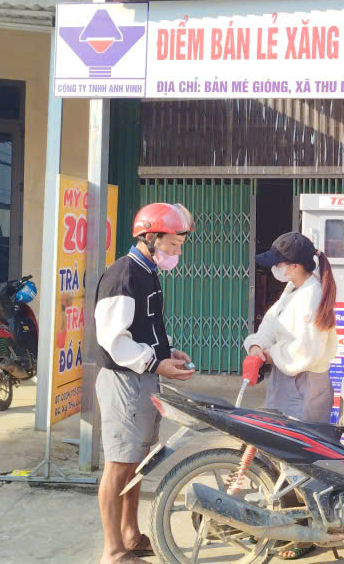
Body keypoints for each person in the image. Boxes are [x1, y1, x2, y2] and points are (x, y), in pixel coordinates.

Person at [93, 202, 196, 564]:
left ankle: (131, 536)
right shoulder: (123, 275)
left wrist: (168, 352)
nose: (177, 252)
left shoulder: (147, 270)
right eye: (173, 244)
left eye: (180, 245)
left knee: (136, 463)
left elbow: (144, 327)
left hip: (142, 379)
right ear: (150, 237)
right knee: (119, 465)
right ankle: (113, 551)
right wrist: (155, 362)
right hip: (124, 382)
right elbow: (114, 340)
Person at [241, 232, 339, 423]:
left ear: (295, 266)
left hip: (303, 384)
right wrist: (256, 346)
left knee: (297, 439)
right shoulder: (294, 290)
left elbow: (305, 351)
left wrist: (271, 354)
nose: (274, 268)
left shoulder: (311, 297)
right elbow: (271, 324)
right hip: (287, 380)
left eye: (277, 264)